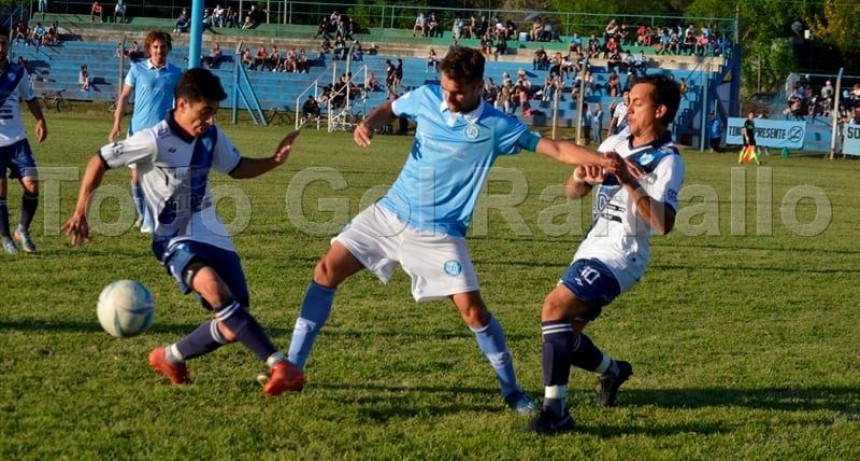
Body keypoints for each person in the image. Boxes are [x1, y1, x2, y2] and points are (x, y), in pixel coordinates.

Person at [285, 46, 614, 413]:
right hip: (389, 213)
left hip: (439, 233)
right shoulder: (426, 97)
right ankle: (294, 368)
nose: (449, 97)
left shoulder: (496, 126)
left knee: (474, 313)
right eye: (446, 88)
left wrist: (602, 160)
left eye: (458, 91)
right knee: (325, 271)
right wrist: (368, 124)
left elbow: (553, 148)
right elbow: (390, 109)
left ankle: (512, 391)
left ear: (478, 86)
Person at [61, 68, 305, 396]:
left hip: (213, 231)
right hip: (172, 236)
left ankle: (170, 356)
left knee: (234, 323)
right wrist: (80, 210)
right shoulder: (153, 139)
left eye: (214, 112)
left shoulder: (211, 136)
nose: (210, 119)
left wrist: (275, 160)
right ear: (182, 104)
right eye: (205, 112)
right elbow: (99, 160)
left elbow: (237, 168)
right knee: (215, 290)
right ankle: (279, 364)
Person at [526, 73, 684, 434]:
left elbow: (664, 224)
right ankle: (614, 371)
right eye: (627, 101)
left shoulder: (668, 160)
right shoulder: (614, 141)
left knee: (554, 308)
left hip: (623, 254)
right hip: (591, 246)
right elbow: (572, 192)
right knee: (563, 335)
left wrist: (629, 180)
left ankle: (556, 412)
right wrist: (581, 177)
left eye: (637, 103)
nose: (628, 109)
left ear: (660, 110)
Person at [110, 30, 182, 234]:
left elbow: (182, 101)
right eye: (155, 47)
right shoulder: (137, 69)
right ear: (149, 48)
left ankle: (154, 219)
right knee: (136, 178)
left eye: (163, 46)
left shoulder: (176, 73)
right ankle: (142, 214)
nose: (159, 50)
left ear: (168, 48)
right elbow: (124, 97)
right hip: (138, 132)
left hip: (163, 134)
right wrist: (117, 123)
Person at [0, 29, 47, 254]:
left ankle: (22, 230)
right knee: (0, 190)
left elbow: (30, 98)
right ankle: (6, 237)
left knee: (32, 184)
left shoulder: (18, 71)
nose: (0, 48)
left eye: (3, 44)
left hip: (17, 140)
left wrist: (41, 121)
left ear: (8, 46)